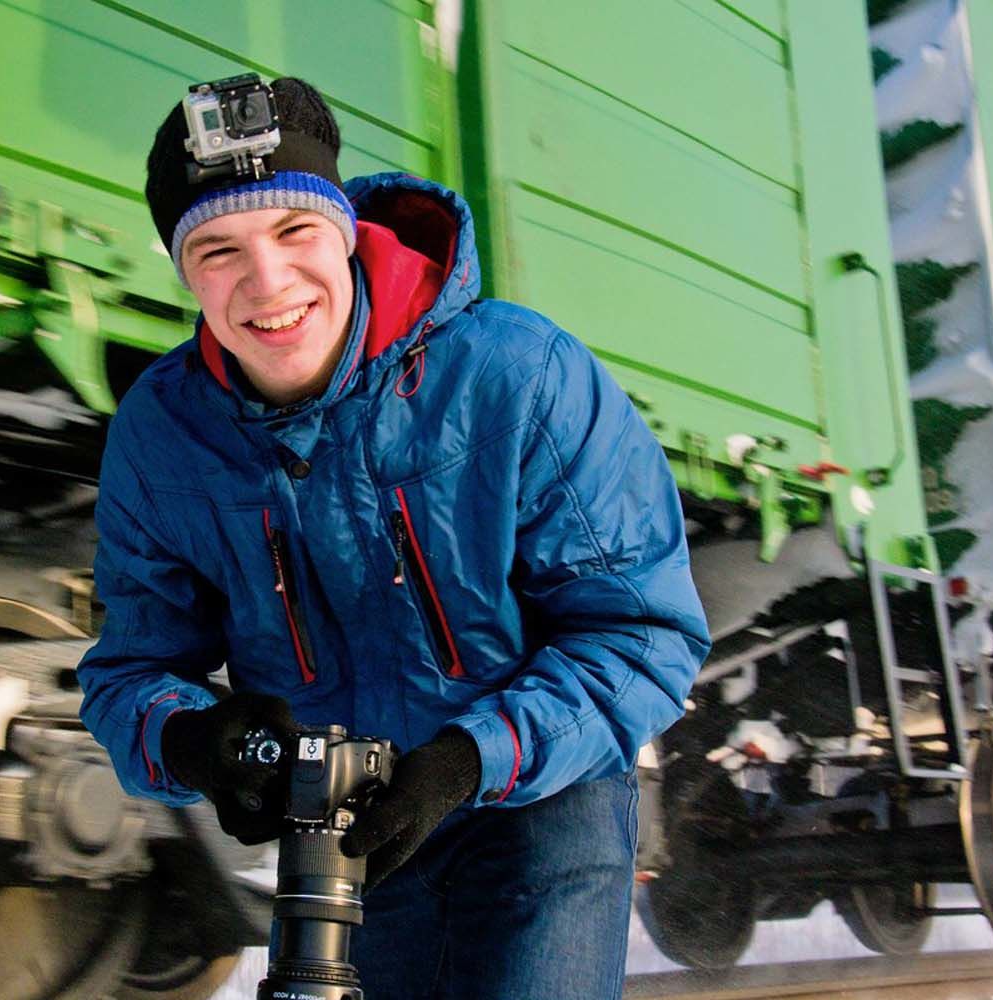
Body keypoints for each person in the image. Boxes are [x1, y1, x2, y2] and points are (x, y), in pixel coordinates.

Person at [77, 75, 710, 999]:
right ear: (184, 273)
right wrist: (193, 743)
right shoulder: (161, 435)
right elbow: (131, 670)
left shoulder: (519, 376)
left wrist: (469, 759)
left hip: (537, 803)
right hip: (345, 831)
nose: (267, 281)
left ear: (345, 231)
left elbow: (643, 636)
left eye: (295, 232)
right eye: (218, 249)